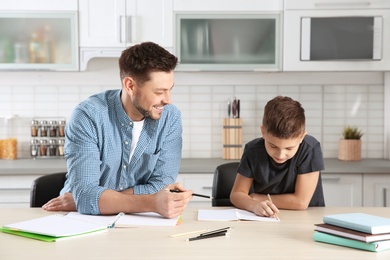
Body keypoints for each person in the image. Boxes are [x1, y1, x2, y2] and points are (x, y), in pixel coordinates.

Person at [42, 42, 193, 218]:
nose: (168, 100)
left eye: (169, 90)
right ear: (130, 85)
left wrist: (98, 199)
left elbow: (162, 185)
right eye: (159, 92)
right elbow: (85, 195)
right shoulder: (88, 116)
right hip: (80, 218)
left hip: (136, 219)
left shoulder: (170, 117)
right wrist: (151, 202)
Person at [230, 96, 325, 218]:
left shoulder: (310, 148)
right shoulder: (252, 150)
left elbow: (301, 202)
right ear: (263, 132)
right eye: (273, 146)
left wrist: (257, 198)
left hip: (307, 218)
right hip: (266, 218)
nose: (280, 155)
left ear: (302, 137)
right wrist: (253, 205)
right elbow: (237, 194)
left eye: (289, 148)